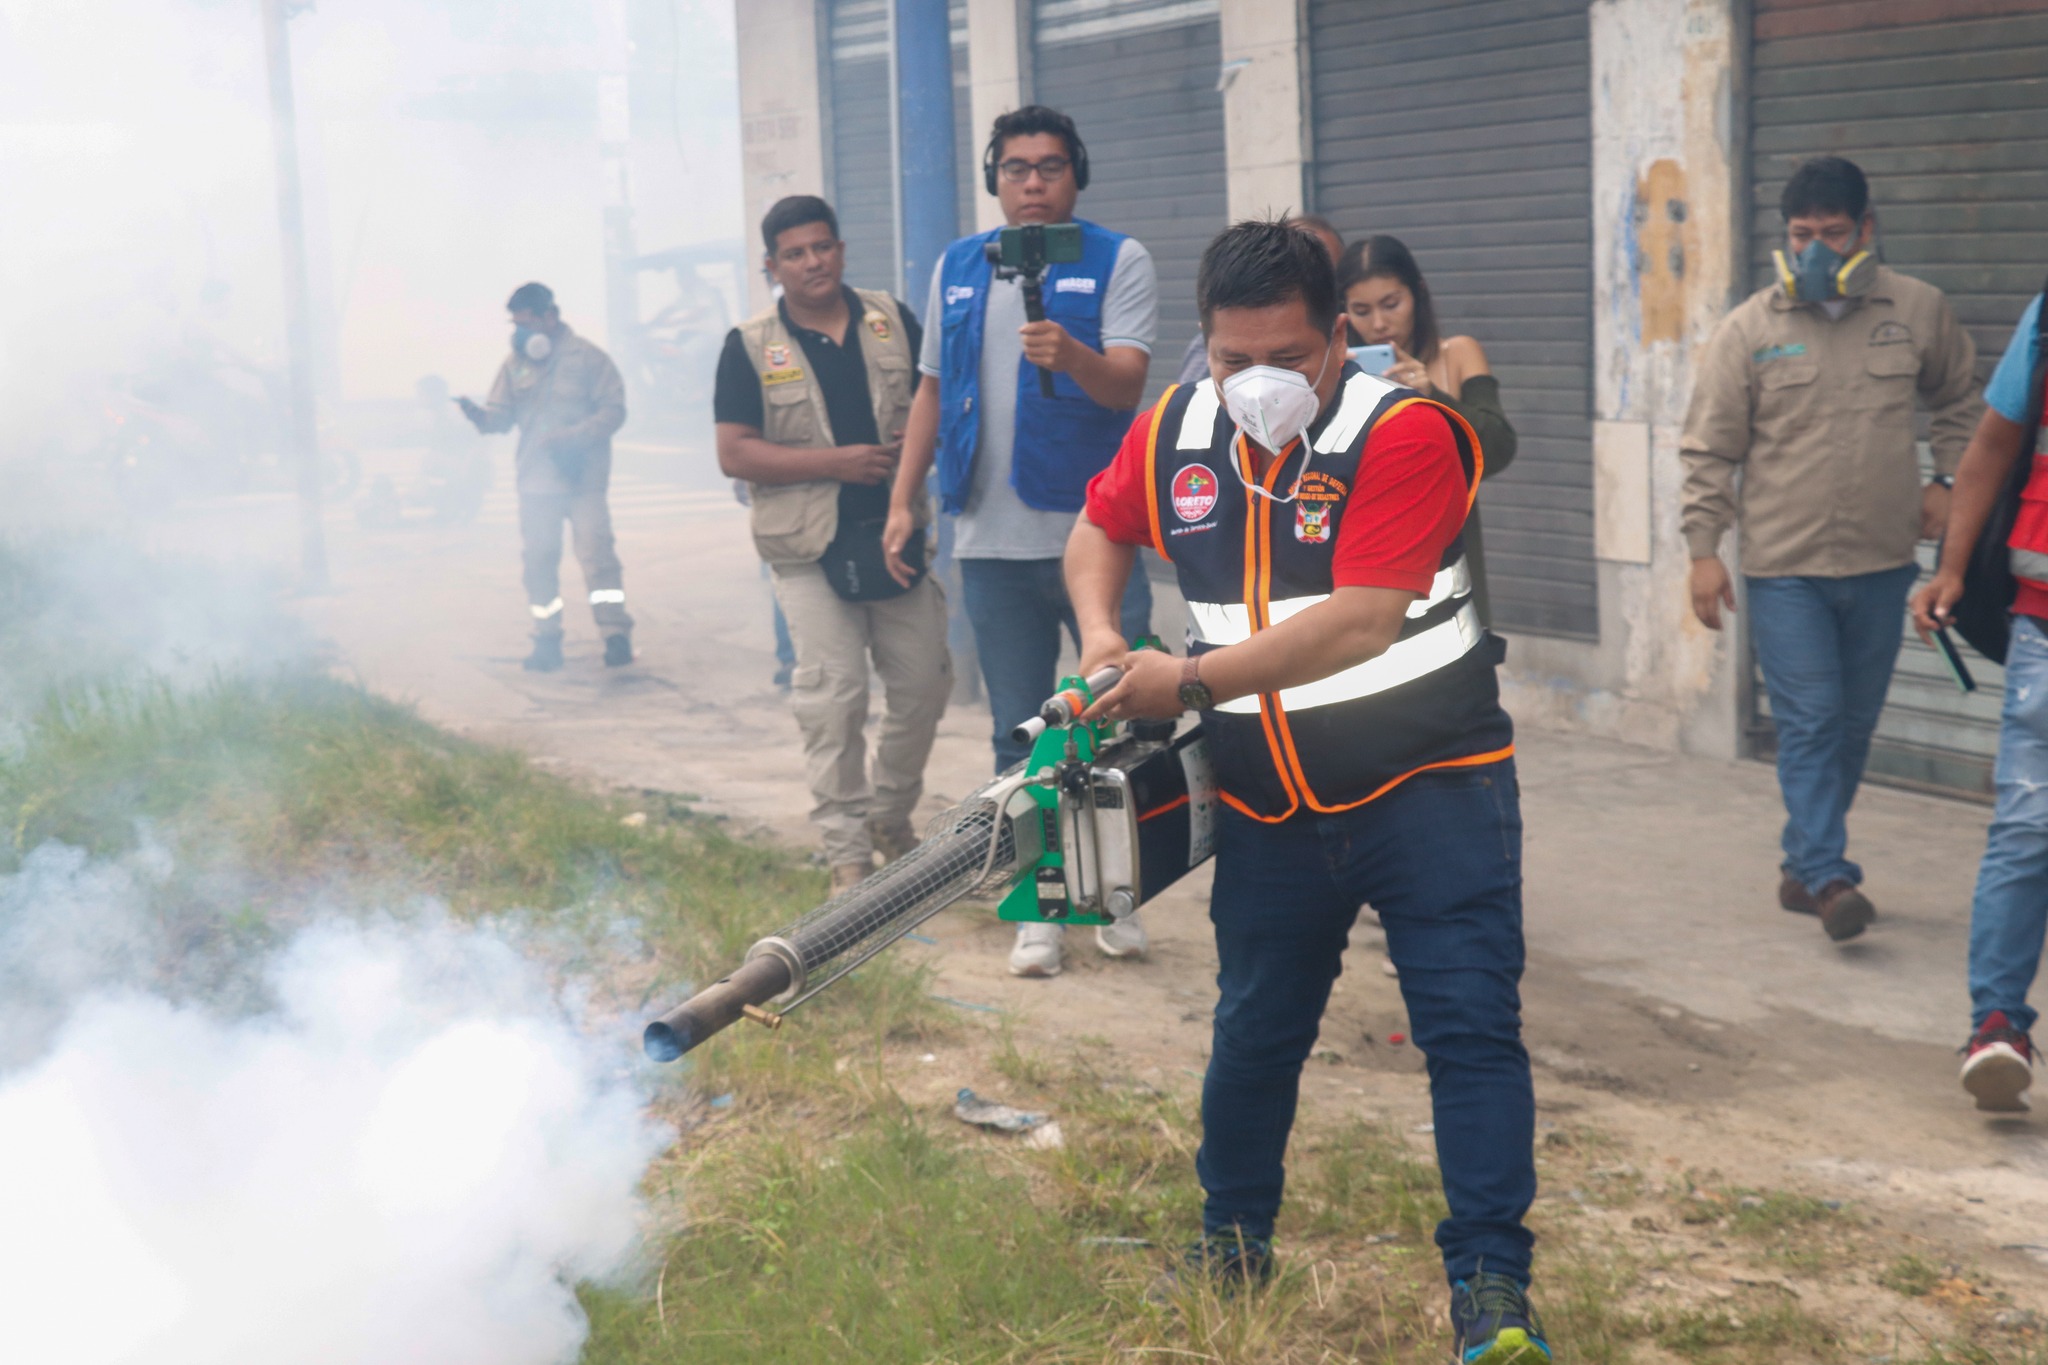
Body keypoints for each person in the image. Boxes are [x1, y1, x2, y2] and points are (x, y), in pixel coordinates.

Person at [1068, 219, 1544, 1363]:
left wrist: (1175, 680)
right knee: (1252, 1029)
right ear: (1203, 346)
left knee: (1469, 1030)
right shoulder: (1175, 430)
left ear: (1338, 335)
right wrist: (1098, 637)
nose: (1259, 384)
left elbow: (1363, 619)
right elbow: (1097, 527)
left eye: (1287, 357)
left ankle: (1489, 1285)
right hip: (1271, 805)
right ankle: (1230, 1241)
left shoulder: (1410, 432)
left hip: (1427, 788)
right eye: (1233, 361)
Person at [883, 103, 1157, 978]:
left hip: (1095, 539)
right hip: (989, 545)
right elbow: (931, 391)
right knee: (1017, 733)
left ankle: (1120, 896)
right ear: (994, 179)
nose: (1032, 182)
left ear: (1077, 174)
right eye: (1014, 168)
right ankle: (1039, 909)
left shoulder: (1120, 258)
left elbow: (1126, 387)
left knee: (1124, 728)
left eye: (1049, 167)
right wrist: (905, 501)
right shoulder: (960, 266)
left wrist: (1070, 355)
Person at [1681, 155, 1979, 942]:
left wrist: (1945, 480)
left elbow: (1961, 401)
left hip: (1884, 563)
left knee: (1851, 727)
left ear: (1867, 230)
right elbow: (1708, 448)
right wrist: (1702, 549)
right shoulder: (1751, 328)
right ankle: (1829, 875)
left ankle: (1799, 863)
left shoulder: (1918, 310)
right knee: (1812, 721)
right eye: (1801, 234)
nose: (1813, 249)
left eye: (1832, 233)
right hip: (1785, 570)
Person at [714, 195, 951, 893]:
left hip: (895, 534)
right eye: (795, 253)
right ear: (772, 267)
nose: (813, 262)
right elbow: (734, 452)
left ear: (841, 250)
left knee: (924, 684)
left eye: (823, 247)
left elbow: (931, 400)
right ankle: (847, 851)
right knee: (836, 694)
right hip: (808, 548)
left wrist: (919, 446)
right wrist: (836, 462)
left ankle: (890, 814)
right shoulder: (750, 345)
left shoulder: (890, 319)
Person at [1910, 280, 2048, 1113]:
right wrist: (1953, 567)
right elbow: (1992, 446)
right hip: (2043, 628)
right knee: (2028, 826)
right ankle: (1997, 1022)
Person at [1339, 234, 1517, 625]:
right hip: (1366, 561)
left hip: (1451, 553)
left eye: (1391, 304)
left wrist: (1431, 395)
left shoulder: (1457, 354)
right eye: (1361, 311)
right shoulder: (1337, 375)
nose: (1380, 324)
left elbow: (1499, 446)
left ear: (1418, 293)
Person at [459, 283, 633, 671]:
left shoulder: (589, 359)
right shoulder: (515, 363)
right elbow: (501, 417)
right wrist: (481, 418)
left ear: (549, 318)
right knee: (539, 561)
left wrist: (575, 436)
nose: (520, 332)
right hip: (536, 482)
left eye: (526, 323)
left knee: (597, 558)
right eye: (516, 324)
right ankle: (547, 637)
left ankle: (614, 634)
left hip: (583, 480)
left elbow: (614, 410)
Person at [1174, 214, 1341, 386]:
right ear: (1207, 346)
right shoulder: (1178, 411)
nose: (1260, 388)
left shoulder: (1367, 410)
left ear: (1338, 339)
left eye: (1287, 359)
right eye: (1235, 362)